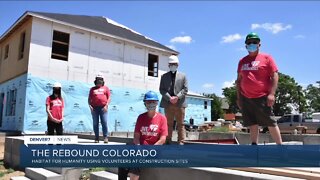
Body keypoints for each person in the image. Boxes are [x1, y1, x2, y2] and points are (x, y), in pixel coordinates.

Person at [236, 32, 282, 145]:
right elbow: (238, 81)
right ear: (246, 45)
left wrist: (272, 94)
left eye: (254, 42)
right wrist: (239, 98)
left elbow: (275, 75)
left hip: (262, 97)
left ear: (259, 44)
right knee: (252, 123)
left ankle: (280, 147)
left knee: (270, 122)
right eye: (249, 42)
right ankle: (254, 146)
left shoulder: (267, 58)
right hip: (246, 98)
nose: (252, 44)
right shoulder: (242, 61)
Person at [118, 91, 168, 180]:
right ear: (145, 103)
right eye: (148, 102)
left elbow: (163, 139)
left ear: (157, 103)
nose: (151, 104)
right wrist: (138, 148)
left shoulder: (162, 118)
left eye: (153, 102)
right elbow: (136, 137)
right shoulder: (141, 117)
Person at [159, 55, 188, 145]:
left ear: (178, 64)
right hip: (168, 103)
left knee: (181, 124)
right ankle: (167, 140)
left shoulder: (183, 76)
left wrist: (177, 97)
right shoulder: (164, 76)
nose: (173, 65)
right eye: (171, 64)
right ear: (168, 65)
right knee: (168, 123)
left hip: (180, 103)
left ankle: (181, 141)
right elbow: (162, 89)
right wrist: (169, 98)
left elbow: (185, 89)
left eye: (174, 64)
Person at [88, 73, 111, 143]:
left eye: (100, 80)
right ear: (95, 81)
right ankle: (96, 138)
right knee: (95, 123)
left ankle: (105, 137)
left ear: (103, 81)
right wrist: (90, 106)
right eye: (98, 80)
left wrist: (106, 105)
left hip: (103, 108)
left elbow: (109, 98)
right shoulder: (92, 89)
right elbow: (89, 99)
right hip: (94, 108)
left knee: (104, 122)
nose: (99, 81)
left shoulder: (106, 88)